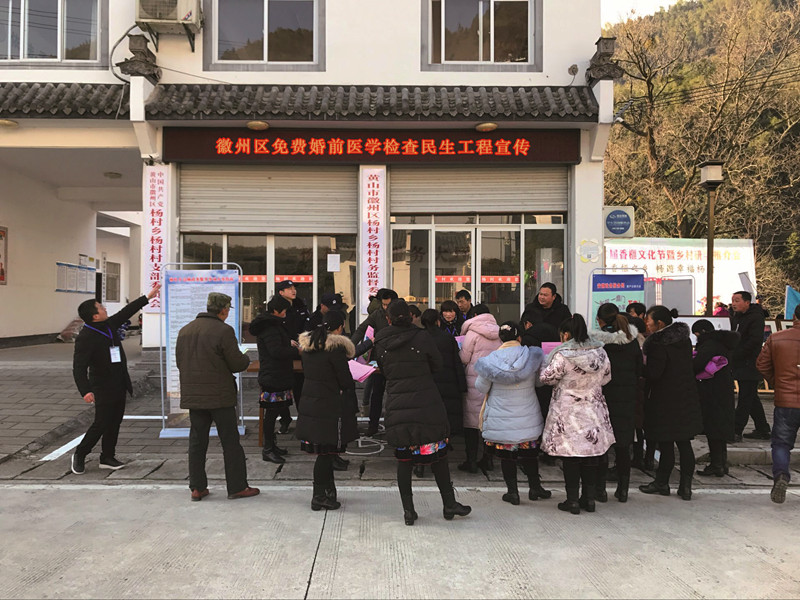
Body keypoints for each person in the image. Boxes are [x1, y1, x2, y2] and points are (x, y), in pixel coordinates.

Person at [374, 300, 471, 525]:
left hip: (398, 402)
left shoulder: (381, 340)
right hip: (427, 402)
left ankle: (408, 511)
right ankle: (449, 504)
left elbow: (384, 369)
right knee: (438, 455)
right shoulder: (422, 337)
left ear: (388, 318)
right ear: (410, 317)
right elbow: (437, 365)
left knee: (404, 460)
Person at [174, 292, 259, 501]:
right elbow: (236, 363)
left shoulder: (185, 330)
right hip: (220, 396)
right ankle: (237, 487)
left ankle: (197, 487)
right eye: (228, 309)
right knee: (230, 442)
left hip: (194, 395)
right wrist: (246, 357)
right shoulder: (224, 331)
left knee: (197, 441)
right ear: (223, 310)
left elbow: (179, 362)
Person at [71, 284, 161, 475]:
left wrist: (147, 297)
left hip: (119, 382)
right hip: (102, 386)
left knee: (115, 422)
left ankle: (107, 457)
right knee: (101, 422)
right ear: (95, 316)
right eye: (101, 308)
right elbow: (79, 367)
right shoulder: (86, 337)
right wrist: (85, 390)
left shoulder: (108, 325)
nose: (104, 309)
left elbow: (126, 311)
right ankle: (80, 454)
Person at [540, 314, 614, 515]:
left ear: (566, 334)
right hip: (593, 409)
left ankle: (572, 500)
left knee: (570, 456)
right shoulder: (600, 352)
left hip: (568, 412)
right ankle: (589, 499)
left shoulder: (563, 355)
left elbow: (547, 378)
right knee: (591, 455)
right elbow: (607, 377)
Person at [474, 321, 551, 505]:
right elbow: (539, 382)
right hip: (527, 415)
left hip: (502, 417)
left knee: (507, 456)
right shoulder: (532, 356)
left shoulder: (490, 360)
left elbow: (481, 387)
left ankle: (513, 492)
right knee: (530, 454)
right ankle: (535, 488)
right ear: (519, 337)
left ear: (500, 338)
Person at [639, 305, 703, 501]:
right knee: (684, 443)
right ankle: (685, 486)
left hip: (664, 398)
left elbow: (654, 373)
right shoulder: (683, 340)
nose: (647, 325)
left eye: (649, 321)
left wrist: (639, 368)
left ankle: (662, 482)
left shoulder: (658, 343)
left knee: (666, 442)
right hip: (685, 395)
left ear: (659, 323)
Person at [296, 310, 359, 511]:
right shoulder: (335, 350)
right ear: (340, 327)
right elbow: (345, 380)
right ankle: (318, 496)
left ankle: (329, 490)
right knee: (325, 454)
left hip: (312, 403)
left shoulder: (309, 346)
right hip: (329, 406)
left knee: (326, 451)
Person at [590, 303, 643, 503]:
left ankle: (600, 490)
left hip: (603, 397)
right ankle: (623, 490)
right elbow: (639, 370)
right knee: (623, 446)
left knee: (602, 445)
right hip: (627, 398)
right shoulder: (632, 341)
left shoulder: (598, 343)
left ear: (600, 320)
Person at [756, 304, 800, 504]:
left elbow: (762, 365)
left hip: (786, 401)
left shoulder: (777, 338)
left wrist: (778, 382)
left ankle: (781, 475)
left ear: (794, 316)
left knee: (781, 443)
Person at [249, 295, 299, 464]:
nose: (285, 313)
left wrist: (287, 342)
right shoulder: (269, 327)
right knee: (271, 413)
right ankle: (268, 448)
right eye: (284, 310)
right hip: (273, 376)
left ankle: (272, 445)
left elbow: (276, 345)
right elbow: (276, 351)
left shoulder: (272, 324)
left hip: (278, 374)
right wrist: (296, 351)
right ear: (276, 311)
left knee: (277, 410)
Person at [691, 319, 738, 477]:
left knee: (714, 428)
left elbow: (697, 365)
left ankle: (716, 464)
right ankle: (721, 463)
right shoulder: (722, 344)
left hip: (712, 392)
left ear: (702, 332)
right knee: (720, 428)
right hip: (723, 390)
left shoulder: (709, 345)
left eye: (696, 334)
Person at [459, 303, 501, 473]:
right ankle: (488, 459)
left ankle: (471, 461)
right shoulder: (499, 332)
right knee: (488, 421)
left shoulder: (472, 333)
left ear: (475, 315)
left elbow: (464, 358)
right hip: (493, 381)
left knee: (471, 422)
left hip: (474, 380)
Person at [352, 288, 398, 436]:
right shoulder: (377, 314)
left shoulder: (401, 313)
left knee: (396, 394)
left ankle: (395, 425)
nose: (385, 308)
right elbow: (361, 330)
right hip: (380, 359)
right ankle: (373, 425)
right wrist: (350, 347)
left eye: (388, 305)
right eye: (383, 305)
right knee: (377, 393)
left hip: (398, 360)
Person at [730, 290, 771, 440]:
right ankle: (763, 429)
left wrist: (737, 353)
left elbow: (754, 341)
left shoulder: (755, 317)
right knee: (751, 397)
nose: (734, 304)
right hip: (740, 361)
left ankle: (736, 430)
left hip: (750, 362)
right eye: (733, 301)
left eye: (737, 300)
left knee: (745, 399)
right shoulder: (737, 317)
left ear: (747, 302)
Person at [421, 309, 467, 439]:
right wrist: (462, 385)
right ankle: (446, 441)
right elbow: (457, 362)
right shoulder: (447, 337)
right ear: (438, 321)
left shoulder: (420, 338)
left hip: (427, 382)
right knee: (447, 415)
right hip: (449, 382)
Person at [275, 280, 311, 434]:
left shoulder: (300, 306)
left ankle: (303, 420)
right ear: (281, 292)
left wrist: (303, 342)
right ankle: (285, 420)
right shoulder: (276, 307)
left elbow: (307, 327)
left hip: (300, 353)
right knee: (282, 390)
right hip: (283, 354)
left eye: (294, 287)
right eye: (289, 288)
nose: (293, 290)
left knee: (300, 389)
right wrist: (285, 340)